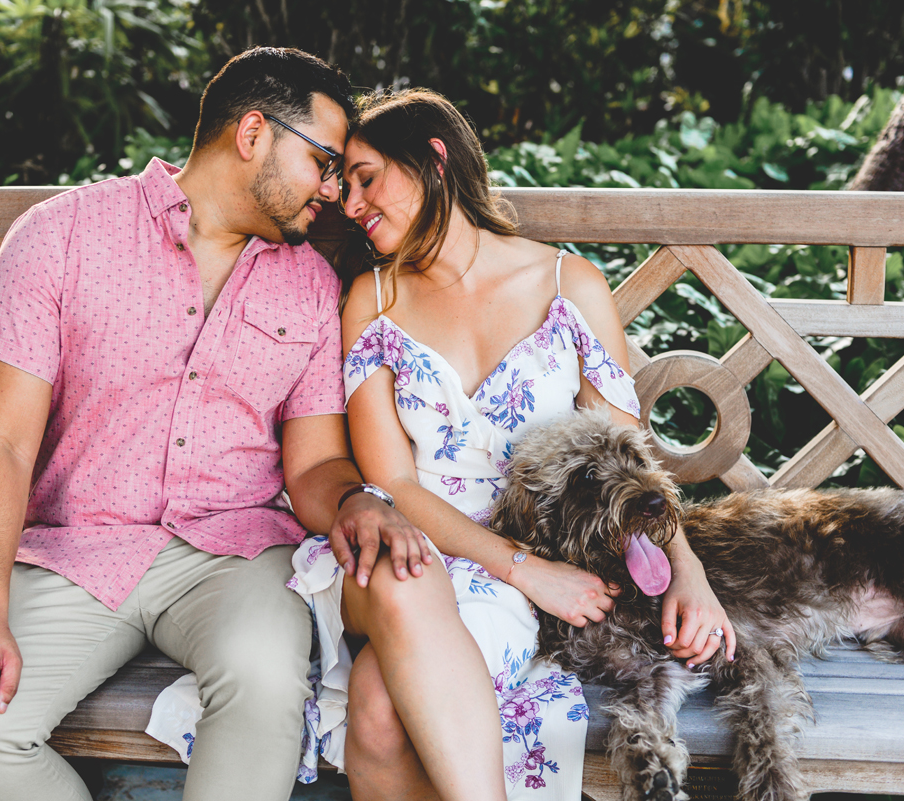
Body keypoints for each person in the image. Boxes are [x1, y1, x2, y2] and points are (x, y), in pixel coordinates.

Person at [0, 47, 425, 801]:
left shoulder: (311, 285)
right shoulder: (62, 237)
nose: (331, 188)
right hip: (76, 550)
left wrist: (353, 499)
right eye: (322, 160)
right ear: (253, 132)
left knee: (263, 681)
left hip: (237, 552)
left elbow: (313, 462)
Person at [289, 89, 738, 801]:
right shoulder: (369, 301)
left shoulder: (567, 286)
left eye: (368, 177)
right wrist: (526, 571)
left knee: (375, 708)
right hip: (411, 547)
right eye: (344, 186)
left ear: (434, 159)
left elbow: (627, 461)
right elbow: (395, 485)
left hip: (520, 567)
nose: (350, 202)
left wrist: (688, 570)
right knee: (382, 701)